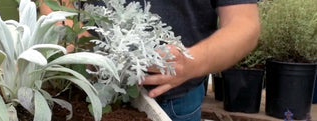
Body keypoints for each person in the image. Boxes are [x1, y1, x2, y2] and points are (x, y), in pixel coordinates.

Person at [40, 0, 260, 120]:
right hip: (90, 90)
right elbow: (55, 3)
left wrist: (192, 61)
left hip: (173, 102)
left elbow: (245, 26)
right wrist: (72, 40)